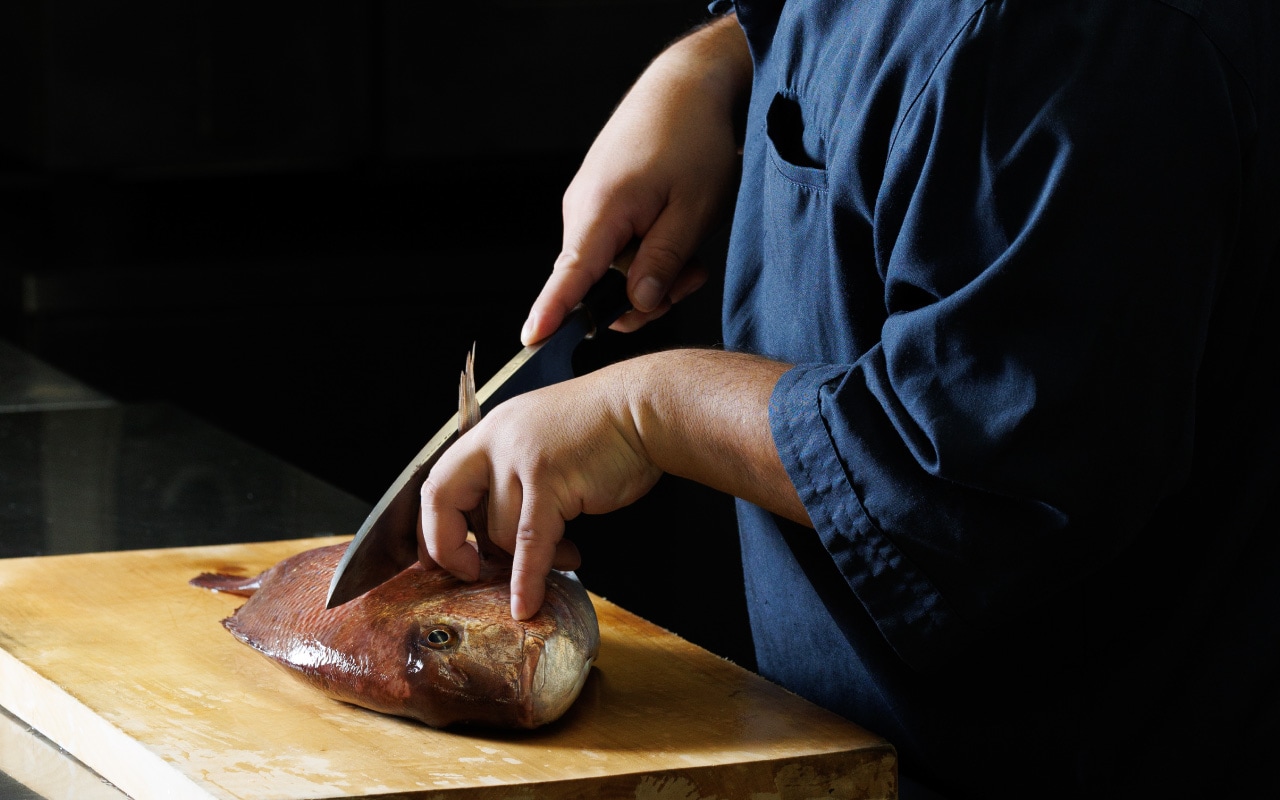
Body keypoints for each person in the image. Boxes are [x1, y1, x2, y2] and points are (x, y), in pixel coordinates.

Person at [419, 1, 1280, 796]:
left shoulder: (1077, 42)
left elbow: (978, 472)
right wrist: (722, 61)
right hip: (846, 747)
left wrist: (647, 412)